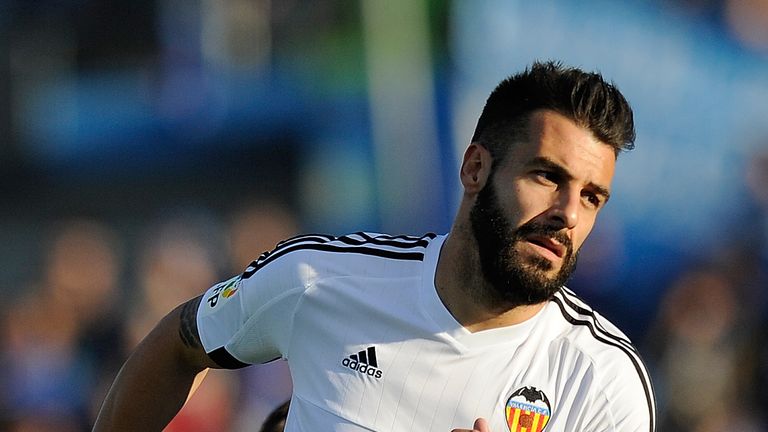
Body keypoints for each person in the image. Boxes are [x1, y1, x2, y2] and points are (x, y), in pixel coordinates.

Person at [93, 61, 656, 432]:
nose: (567, 214)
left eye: (592, 197)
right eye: (545, 176)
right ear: (476, 167)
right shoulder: (318, 278)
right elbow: (180, 344)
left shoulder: (601, 382)